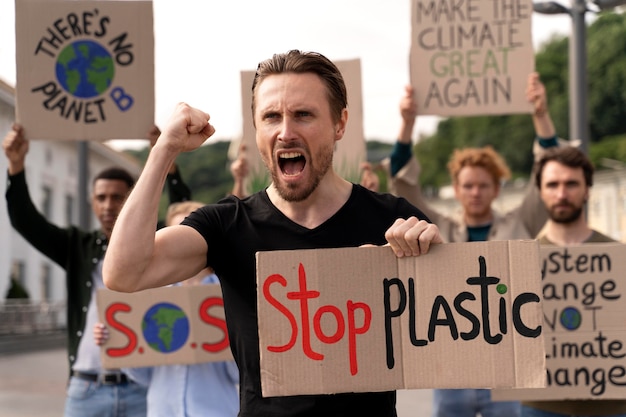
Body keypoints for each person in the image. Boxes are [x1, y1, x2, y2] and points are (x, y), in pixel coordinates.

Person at [102, 49, 443, 417]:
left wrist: (434, 258)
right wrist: (163, 150)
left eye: (303, 115)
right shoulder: (227, 225)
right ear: (257, 128)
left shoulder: (391, 220)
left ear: (339, 124)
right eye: (271, 117)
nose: (285, 132)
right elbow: (123, 272)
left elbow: (456, 332)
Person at [381, 72, 566, 417]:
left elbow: (548, 173)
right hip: (454, 368)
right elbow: (404, 187)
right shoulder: (437, 228)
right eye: (468, 186)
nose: (475, 192)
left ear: (496, 189)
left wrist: (541, 115)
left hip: (507, 367)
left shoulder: (520, 223)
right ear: (457, 188)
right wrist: (407, 123)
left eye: (483, 185)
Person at [2, 123, 190, 417]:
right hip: (86, 389)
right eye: (101, 198)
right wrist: (16, 167)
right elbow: (28, 223)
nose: (108, 206)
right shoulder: (78, 246)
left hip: (140, 386)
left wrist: (168, 161)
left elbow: (185, 219)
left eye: (117, 197)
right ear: (92, 202)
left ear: (132, 200)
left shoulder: (155, 246)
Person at [94, 200, 240, 417]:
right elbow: (142, 376)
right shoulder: (149, 301)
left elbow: (238, 375)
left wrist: (237, 335)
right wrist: (116, 342)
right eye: (177, 234)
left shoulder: (230, 294)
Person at [521, 146, 626, 417]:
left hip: (611, 405)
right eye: (552, 184)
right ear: (541, 191)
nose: (561, 194)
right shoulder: (521, 262)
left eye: (571, 184)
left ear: (588, 189)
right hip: (540, 406)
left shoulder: (619, 255)